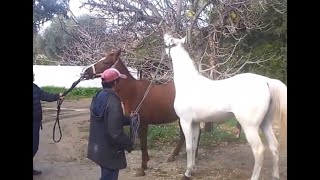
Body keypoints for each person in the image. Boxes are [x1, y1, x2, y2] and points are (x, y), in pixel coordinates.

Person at [87, 68, 134, 180]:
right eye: (119, 81)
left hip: (98, 146)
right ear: (115, 83)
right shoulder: (113, 101)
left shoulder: (98, 95)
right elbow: (115, 133)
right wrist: (129, 144)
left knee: (105, 175)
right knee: (109, 177)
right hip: (109, 151)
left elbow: (106, 118)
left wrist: (128, 119)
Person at [33, 73, 64, 175]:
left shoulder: (35, 88)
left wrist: (57, 96)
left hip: (35, 122)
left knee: (34, 146)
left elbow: (45, 95)